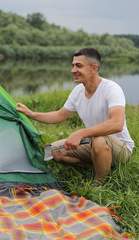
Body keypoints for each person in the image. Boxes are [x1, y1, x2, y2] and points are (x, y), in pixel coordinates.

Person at [16, 47, 134, 185]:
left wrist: (81, 133)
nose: (73, 70)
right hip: (93, 143)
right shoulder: (78, 91)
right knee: (53, 151)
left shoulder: (111, 89)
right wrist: (32, 114)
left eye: (79, 66)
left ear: (93, 68)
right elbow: (59, 115)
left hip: (121, 149)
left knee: (99, 140)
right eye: (73, 65)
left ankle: (99, 184)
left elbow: (117, 124)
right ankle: (95, 167)